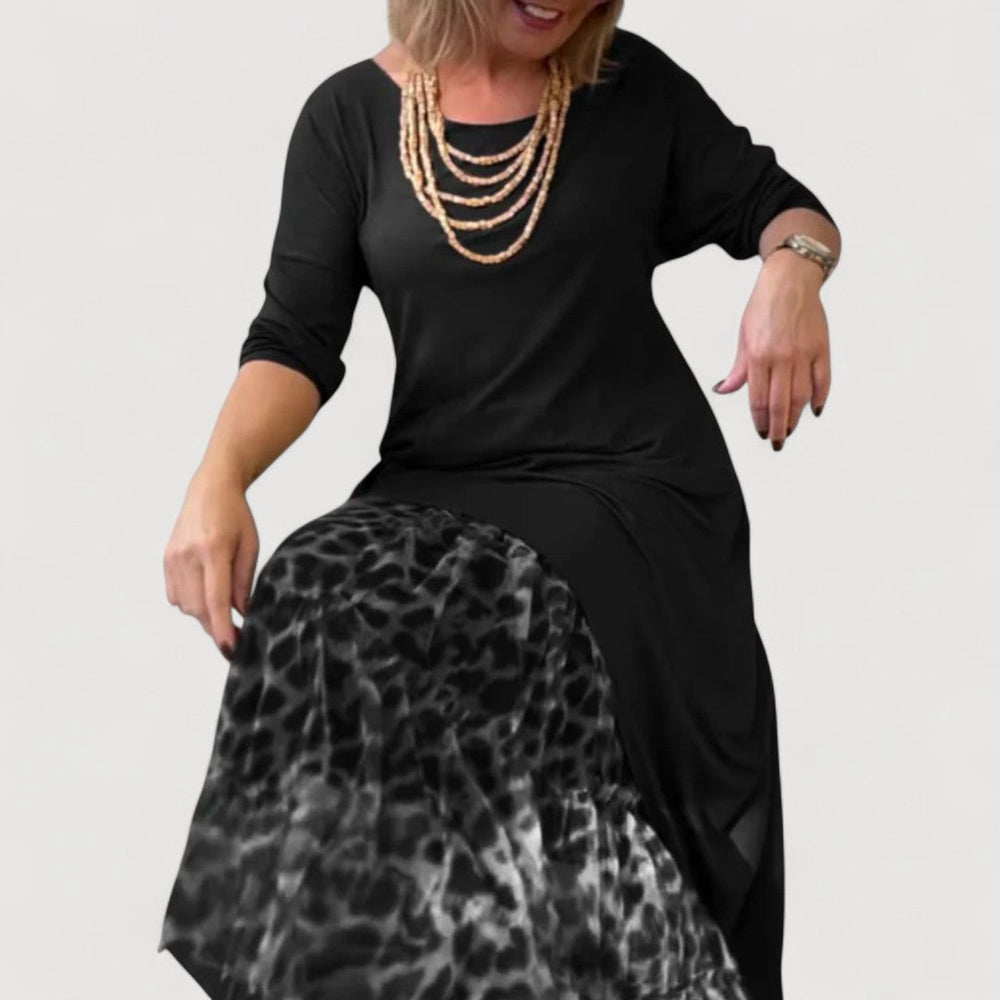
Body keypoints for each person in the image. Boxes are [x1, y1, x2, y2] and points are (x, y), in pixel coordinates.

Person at [157, 2, 841, 999]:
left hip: (626, 482)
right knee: (316, 585)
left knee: (497, 607)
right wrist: (217, 478)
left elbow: (787, 209)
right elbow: (296, 336)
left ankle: (623, 955)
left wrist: (792, 275)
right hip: (439, 476)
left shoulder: (631, 87)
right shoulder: (348, 118)